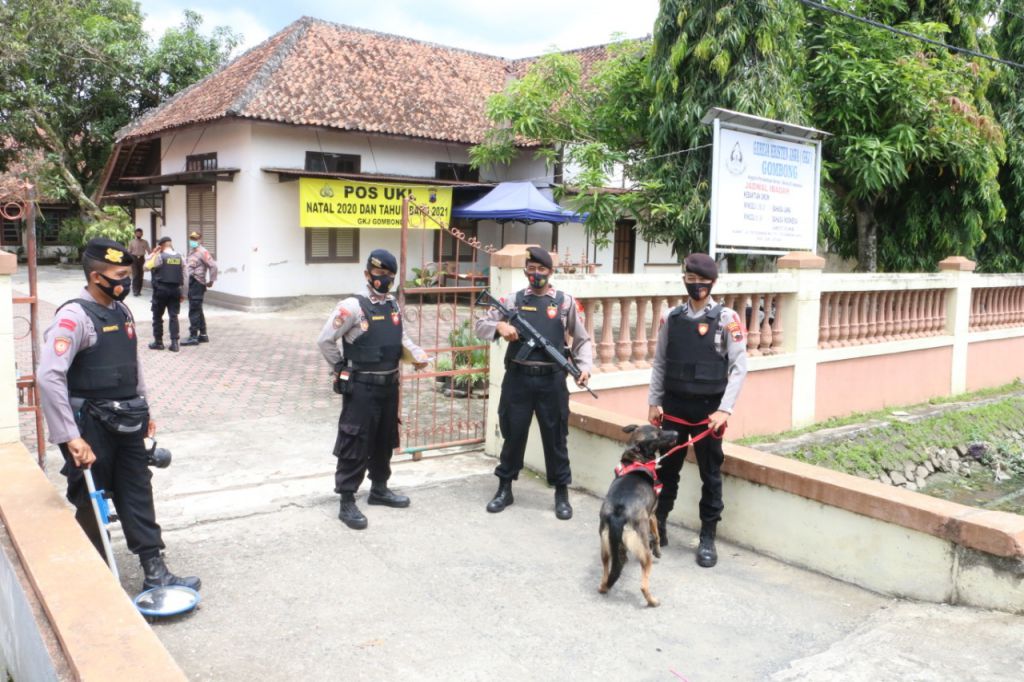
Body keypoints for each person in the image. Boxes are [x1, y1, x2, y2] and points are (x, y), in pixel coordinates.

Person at [37, 238, 200, 592]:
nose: (126, 281)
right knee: (91, 499)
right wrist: (70, 436)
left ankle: (155, 570)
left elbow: (132, 362)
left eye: (128, 274)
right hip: (90, 425)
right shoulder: (74, 317)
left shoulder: (121, 311)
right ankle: (95, 579)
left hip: (129, 419)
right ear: (97, 277)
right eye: (120, 275)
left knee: (137, 490)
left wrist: (146, 407)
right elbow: (49, 376)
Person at [475, 246, 593, 520]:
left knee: (556, 438)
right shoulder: (512, 300)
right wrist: (500, 327)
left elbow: (582, 339)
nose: (535, 274)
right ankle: (505, 488)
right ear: (526, 269)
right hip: (518, 378)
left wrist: (584, 367)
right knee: (513, 435)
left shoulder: (565, 302)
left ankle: (561, 492)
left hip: (552, 380)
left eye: (541, 269)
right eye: (531, 268)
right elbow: (481, 324)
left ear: (551, 272)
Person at [647, 253, 748, 568]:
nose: (696, 285)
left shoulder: (727, 318)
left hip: (709, 413)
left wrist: (725, 410)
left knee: (710, 475)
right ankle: (659, 524)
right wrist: (654, 400)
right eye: (690, 279)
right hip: (674, 408)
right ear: (685, 280)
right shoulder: (671, 317)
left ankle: (707, 536)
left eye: (702, 280)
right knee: (666, 471)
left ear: (712, 282)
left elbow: (739, 367)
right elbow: (660, 361)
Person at [317, 249, 430, 530]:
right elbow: (325, 341)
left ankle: (379, 488)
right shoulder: (352, 307)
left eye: (389, 277)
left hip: (389, 385)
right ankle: (347, 499)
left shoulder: (392, 305)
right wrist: (340, 368)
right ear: (368, 274)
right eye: (379, 275)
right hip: (362, 386)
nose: (384, 281)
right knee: (355, 441)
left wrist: (417, 355)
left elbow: (400, 337)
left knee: (384, 438)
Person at [145, 236, 184, 352]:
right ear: (170, 245)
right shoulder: (180, 257)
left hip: (161, 290)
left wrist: (153, 253)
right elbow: (185, 276)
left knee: (157, 316)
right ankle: (175, 343)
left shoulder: (160, 257)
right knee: (173, 316)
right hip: (175, 290)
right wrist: (184, 293)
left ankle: (158, 342)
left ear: (160, 246)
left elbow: (145, 267)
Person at [180, 231, 218, 346]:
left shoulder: (203, 252)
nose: (193, 241)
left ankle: (193, 336)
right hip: (192, 283)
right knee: (198, 309)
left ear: (200, 240)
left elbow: (214, 266)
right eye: (192, 239)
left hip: (197, 283)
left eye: (196, 239)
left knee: (194, 310)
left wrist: (211, 280)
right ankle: (203, 335)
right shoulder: (192, 251)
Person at [128, 228, 149, 296]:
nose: (138, 234)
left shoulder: (145, 242)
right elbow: (129, 251)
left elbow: (149, 251)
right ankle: (135, 291)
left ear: (142, 234)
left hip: (142, 259)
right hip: (134, 258)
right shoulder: (132, 242)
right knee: (135, 275)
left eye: (140, 233)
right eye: (137, 233)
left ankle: (139, 291)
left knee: (141, 275)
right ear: (135, 234)